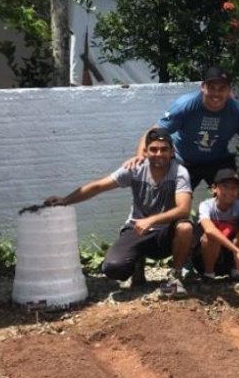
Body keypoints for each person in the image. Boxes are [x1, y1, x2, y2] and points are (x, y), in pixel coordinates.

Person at [44, 127, 194, 298]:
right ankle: (137, 262)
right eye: (153, 149)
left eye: (164, 149)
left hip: (165, 233)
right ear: (145, 152)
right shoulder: (135, 169)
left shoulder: (179, 172)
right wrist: (65, 200)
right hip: (137, 228)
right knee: (113, 269)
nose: (159, 153)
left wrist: (151, 221)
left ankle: (175, 276)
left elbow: (184, 209)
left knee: (185, 228)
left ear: (172, 151)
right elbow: (98, 186)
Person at [128, 66, 239, 188]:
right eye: (211, 88)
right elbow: (154, 132)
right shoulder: (185, 106)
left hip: (218, 161)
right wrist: (140, 156)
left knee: (230, 196)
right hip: (184, 160)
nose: (216, 93)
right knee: (172, 201)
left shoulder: (237, 111)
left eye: (221, 89)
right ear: (202, 87)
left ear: (229, 90)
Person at [196, 168, 239, 280]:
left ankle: (237, 270)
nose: (229, 191)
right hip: (208, 256)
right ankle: (209, 275)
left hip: (230, 254)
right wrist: (235, 249)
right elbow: (209, 230)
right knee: (209, 237)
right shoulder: (206, 205)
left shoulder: (237, 205)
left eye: (234, 188)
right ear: (214, 189)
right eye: (225, 187)